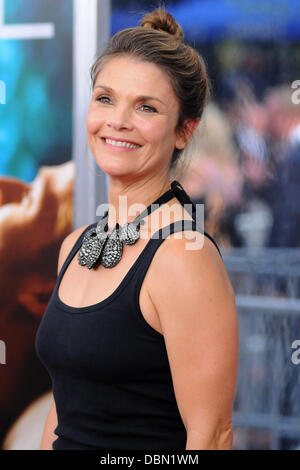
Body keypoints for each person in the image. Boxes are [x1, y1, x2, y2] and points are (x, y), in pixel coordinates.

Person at [35, 7, 238, 450]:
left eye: (146, 107)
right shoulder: (75, 244)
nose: (118, 121)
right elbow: (66, 407)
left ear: (184, 131)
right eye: (105, 98)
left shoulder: (184, 256)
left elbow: (213, 436)